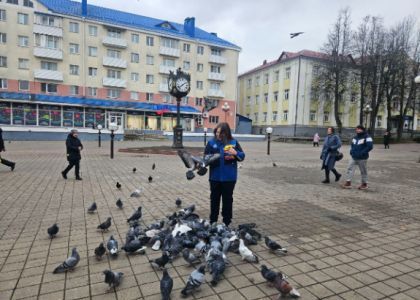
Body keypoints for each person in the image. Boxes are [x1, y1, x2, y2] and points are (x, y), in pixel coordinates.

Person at [204, 123, 245, 226]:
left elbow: (242, 156)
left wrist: (235, 153)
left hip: (229, 178)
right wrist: (208, 158)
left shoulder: (233, 142)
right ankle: (213, 221)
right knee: (214, 200)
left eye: (220, 132)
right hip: (214, 178)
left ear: (226, 133)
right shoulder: (211, 142)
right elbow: (205, 157)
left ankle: (227, 222)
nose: (218, 134)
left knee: (227, 201)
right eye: (216, 132)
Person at [342, 125, 373, 190]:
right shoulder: (355, 137)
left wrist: (362, 152)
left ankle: (364, 184)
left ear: (362, 130)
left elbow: (370, 146)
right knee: (349, 169)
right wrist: (351, 151)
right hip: (353, 157)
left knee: (363, 171)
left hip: (362, 158)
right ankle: (348, 182)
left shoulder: (367, 137)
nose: (357, 130)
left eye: (359, 129)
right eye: (357, 129)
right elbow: (352, 145)